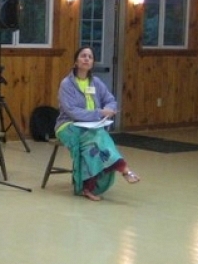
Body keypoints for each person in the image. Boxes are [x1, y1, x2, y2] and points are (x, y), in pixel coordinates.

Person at [55, 46, 140, 201]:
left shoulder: (96, 82)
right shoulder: (66, 84)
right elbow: (72, 111)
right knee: (96, 138)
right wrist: (100, 113)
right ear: (76, 62)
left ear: (92, 63)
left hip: (92, 127)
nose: (86, 59)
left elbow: (111, 100)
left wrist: (109, 109)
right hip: (68, 126)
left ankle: (88, 187)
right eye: (83, 56)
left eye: (90, 57)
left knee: (94, 142)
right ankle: (122, 167)